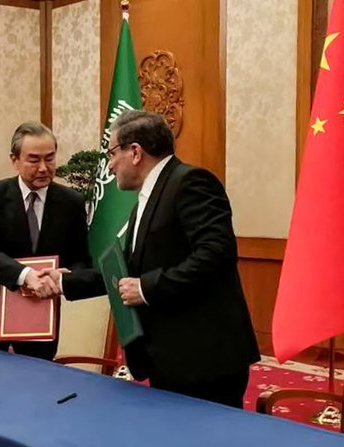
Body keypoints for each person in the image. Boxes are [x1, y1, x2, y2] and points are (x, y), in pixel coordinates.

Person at [56, 111, 259, 408]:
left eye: (112, 153)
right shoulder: (149, 196)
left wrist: (147, 288)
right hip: (169, 356)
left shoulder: (191, 183)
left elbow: (216, 254)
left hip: (205, 360)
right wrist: (63, 282)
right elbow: (126, 273)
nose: (109, 166)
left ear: (135, 152)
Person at [0, 122, 92, 360]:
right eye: (34, 160)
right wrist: (26, 276)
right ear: (15, 160)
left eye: (50, 159)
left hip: (42, 317)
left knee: (38, 385)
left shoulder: (71, 202)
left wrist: (66, 277)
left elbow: (82, 259)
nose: (44, 168)